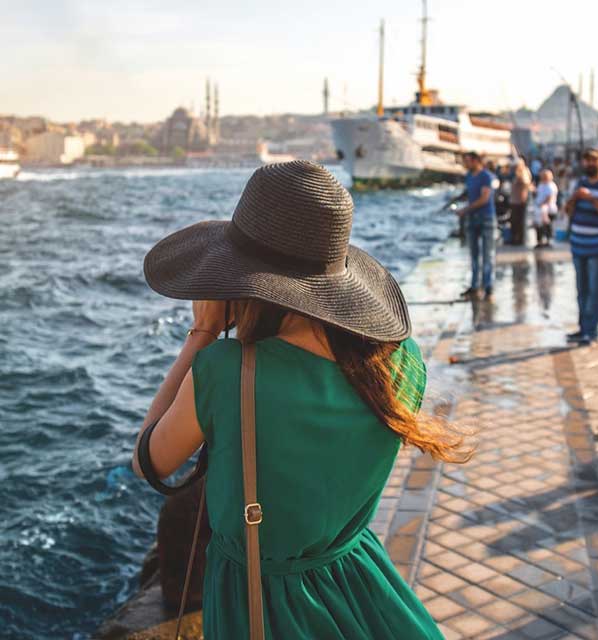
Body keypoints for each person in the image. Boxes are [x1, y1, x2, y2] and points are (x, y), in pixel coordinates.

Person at [131, 161, 470, 639]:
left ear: (246, 280)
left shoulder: (228, 371)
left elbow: (149, 461)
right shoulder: (400, 361)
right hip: (360, 585)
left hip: (261, 606)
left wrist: (203, 333)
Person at [565, 148, 598, 346]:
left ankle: (592, 332)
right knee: (582, 290)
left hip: (597, 247)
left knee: (596, 291)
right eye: (586, 160)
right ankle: (583, 329)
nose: (589, 164)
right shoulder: (580, 184)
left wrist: (591, 198)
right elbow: (568, 211)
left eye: (593, 160)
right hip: (578, 245)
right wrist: (574, 198)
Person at [457, 152, 498, 300]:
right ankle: (474, 287)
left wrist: (464, 210)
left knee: (488, 255)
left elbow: (484, 199)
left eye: (467, 161)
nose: (465, 164)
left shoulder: (486, 176)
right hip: (472, 219)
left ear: (475, 161)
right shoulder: (469, 176)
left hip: (486, 219)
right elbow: (469, 193)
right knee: (473, 255)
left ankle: (488, 288)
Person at [533, 169, 558, 248]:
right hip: (539, 208)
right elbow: (538, 193)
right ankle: (540, 241)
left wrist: (542, 204)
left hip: (548, 209)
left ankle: (548, 240)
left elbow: (549, 197)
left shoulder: (551, 186)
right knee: (539, 226)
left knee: (547, 225)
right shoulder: (541, 184)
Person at [509, 159, 533, 246]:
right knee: (514, 220)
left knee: (518, 221)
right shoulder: (517, 173)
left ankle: (519, 239)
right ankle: (515, 237)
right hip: (515, 200)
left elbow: (526, 183)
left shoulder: (523, 173)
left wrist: (519, 174)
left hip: (520, 200)